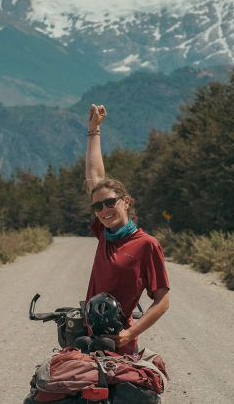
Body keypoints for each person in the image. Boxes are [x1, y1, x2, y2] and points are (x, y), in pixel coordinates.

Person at [84, 103, 170, 355]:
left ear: (126, 201)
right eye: (98, 206)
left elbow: (162, 300)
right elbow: (94, 175)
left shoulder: (146, 245)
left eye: (110, 202)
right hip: (90, 335)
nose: (104, 209)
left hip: (120, 342)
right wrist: (93, 130)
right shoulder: (104, 234)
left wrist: (130, 333)